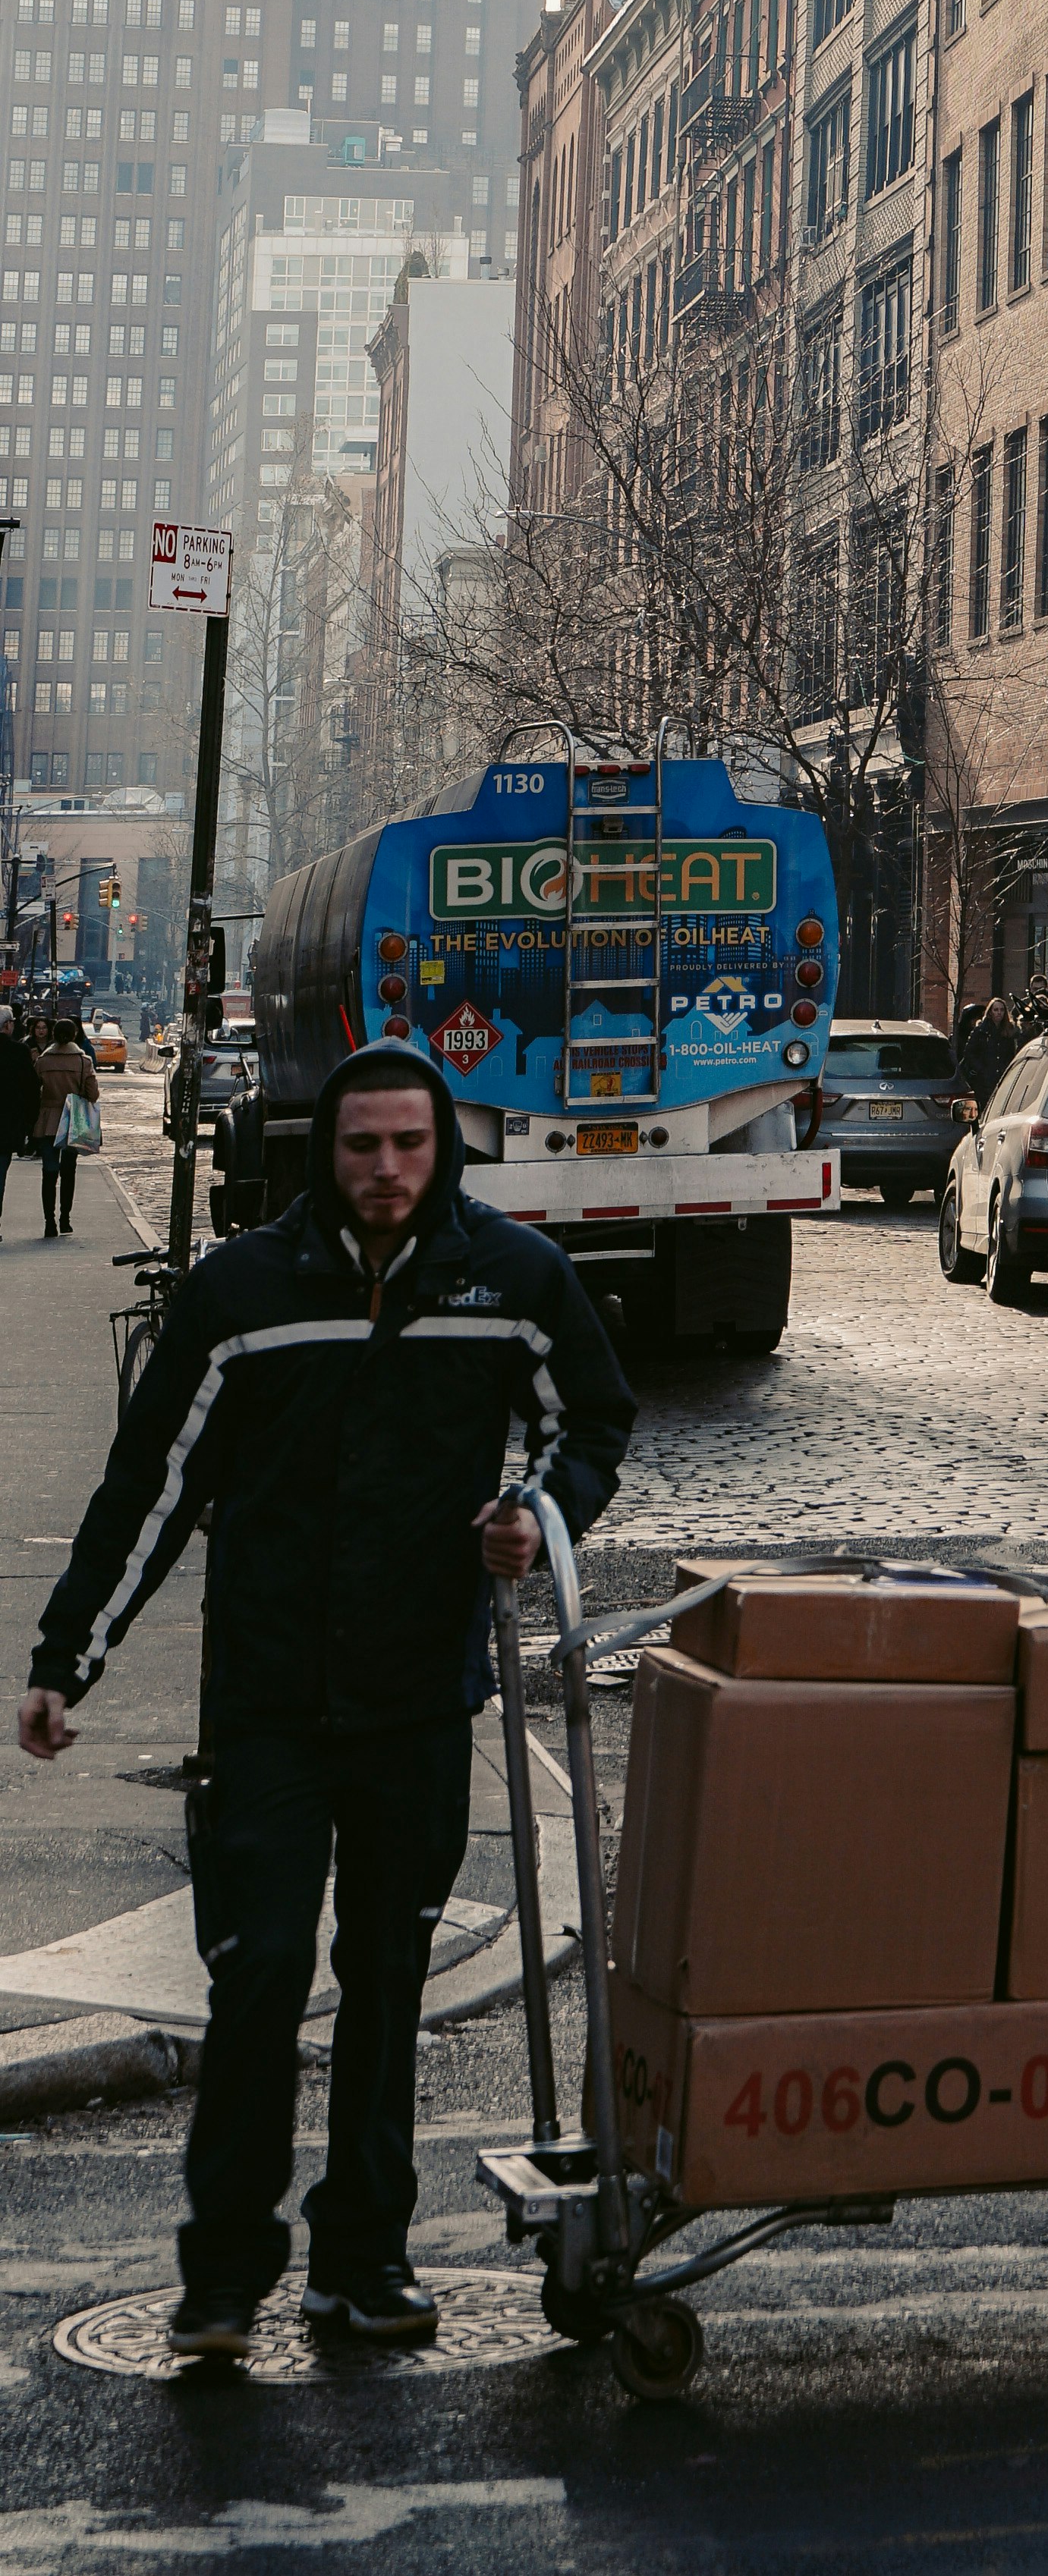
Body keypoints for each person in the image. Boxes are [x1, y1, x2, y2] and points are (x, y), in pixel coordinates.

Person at [17, 1042, 634, 2370]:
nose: (387, 1172)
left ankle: (367, 2261)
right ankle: (225, 2277)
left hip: (420, 1702)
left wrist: (539, 1512)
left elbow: (590, 1421)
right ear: (325, 1151)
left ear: (441, 1147)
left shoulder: (513, 1281)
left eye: (410, 1146)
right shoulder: (246, 1294)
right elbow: (153, 1486)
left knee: (389, 1983)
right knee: (257, 1982)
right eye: (363, 1148)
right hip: (271, 1710)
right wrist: (70, 1656)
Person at [30, 1014, 100, 1238]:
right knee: (69, 1171)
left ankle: (49, 1221)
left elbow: (33, 1091)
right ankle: (65, 1219)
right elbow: (93, 1094)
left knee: (49, 1172)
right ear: (75, 1035)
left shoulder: (43, 1061)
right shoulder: (83, 1061)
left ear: (53, 1035)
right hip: (74, 1120)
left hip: (48, 1120)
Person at [0, 999, 36, 1242]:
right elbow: (31, 1091)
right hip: (6, 1128)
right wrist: (29, 1126)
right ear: (8, 1026)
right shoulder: (19, 1052)